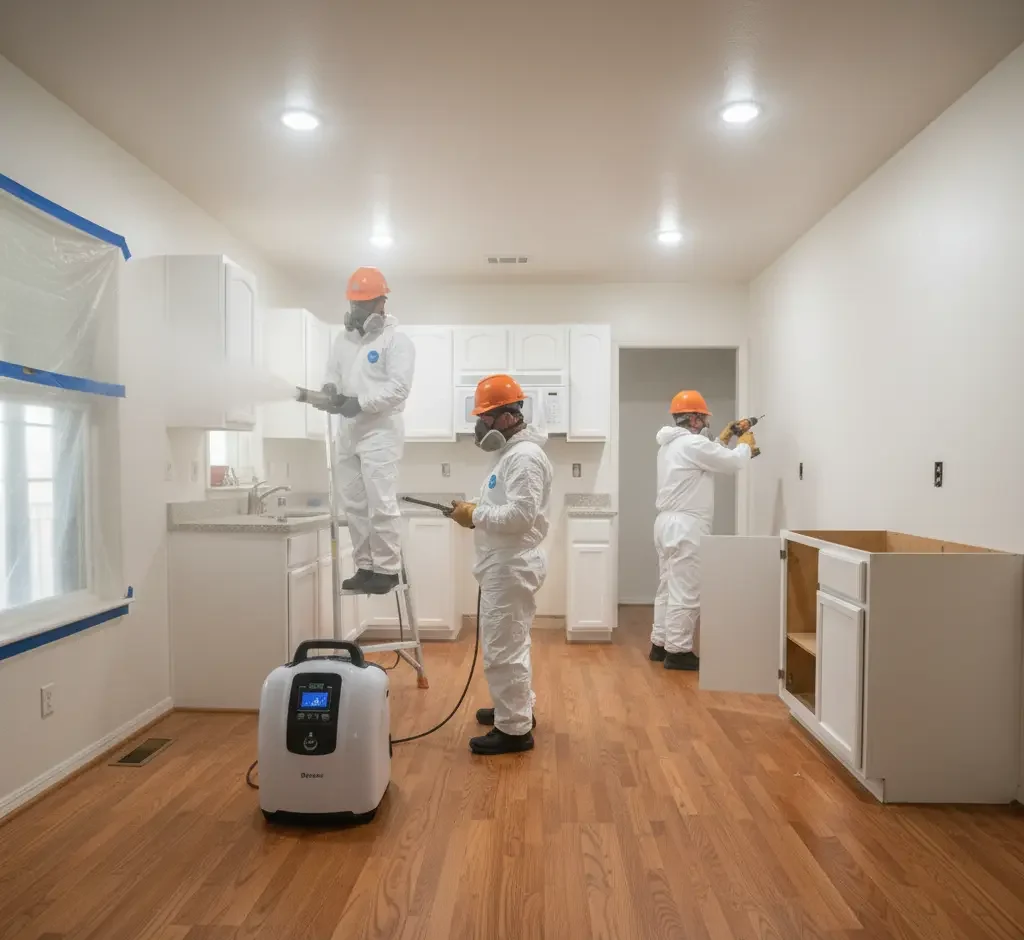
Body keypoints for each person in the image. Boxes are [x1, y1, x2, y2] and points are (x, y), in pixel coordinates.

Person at [449, 374, 552, 755]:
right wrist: (475, 511)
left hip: (511, 565)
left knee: (502, 646)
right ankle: (514, 709)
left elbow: (520, 516)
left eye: (487, 417)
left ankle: (514, 730)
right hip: (505, 564)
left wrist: (476, 515)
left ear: (509, 417)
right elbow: (505, 507)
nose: (481, 426)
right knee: (509, 640)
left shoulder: (523, 458)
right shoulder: (509, 455)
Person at [320, 267, 415, 595]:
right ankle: (365, 566)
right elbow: (332, 372)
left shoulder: (396, 340)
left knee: (380, 501)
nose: (357, 311)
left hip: (380, 431)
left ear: (381, 303)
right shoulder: (342, 339)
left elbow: (399, 389)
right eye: (353, 303)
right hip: (348, 430)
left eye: (364, 303)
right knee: (354, 504)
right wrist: (331, 390)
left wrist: (359, 402)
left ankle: (388, 570)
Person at [650, 390, 757, 670]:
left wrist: (722, 439)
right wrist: (744, 443)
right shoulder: (693, 445)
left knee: (666, 586)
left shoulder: (671, 445)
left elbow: (707, 457)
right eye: (704, 417)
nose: (706, 422)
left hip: (665, 524)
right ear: (695, 419)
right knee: (686, 588)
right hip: (687, 525)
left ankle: (659, 644)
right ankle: (679, 651)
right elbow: (733, 462)